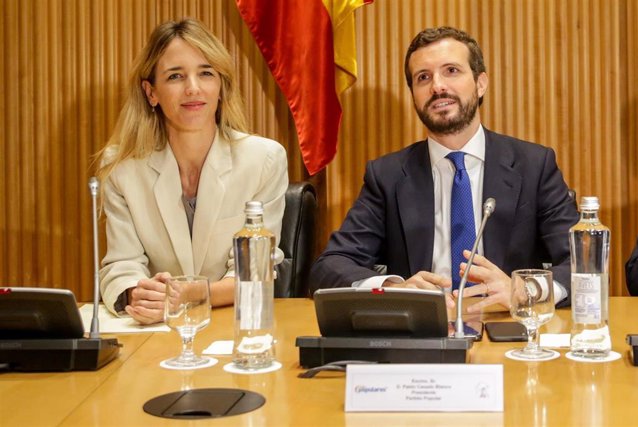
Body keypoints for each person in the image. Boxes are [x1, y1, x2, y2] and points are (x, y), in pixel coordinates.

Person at [309, 26, 578, 313]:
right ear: (413, 93)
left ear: (481, 83)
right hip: (423, 332)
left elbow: (584, 264)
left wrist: (527, 290)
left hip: (509, 326)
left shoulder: (534, 165)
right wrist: (392, 288)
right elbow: (330, 266)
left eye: (451, 71)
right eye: (423, 77)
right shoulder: (387, 175)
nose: (437, 86)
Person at [97, 19, 288, 324]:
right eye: (175, 76)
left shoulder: (263, 160)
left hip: (234, 325)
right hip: (156, 332)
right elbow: (120, 265)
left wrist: (184, 296)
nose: (193, 88)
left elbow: (253, 274)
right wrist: (138, 294)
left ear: (221, 87)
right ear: (151, 93)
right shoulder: (122, 168)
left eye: (206, 73)